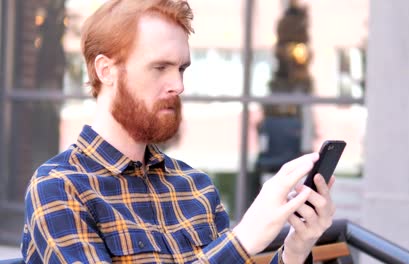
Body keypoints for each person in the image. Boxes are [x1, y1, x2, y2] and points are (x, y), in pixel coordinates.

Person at [21, 0, 336, 263]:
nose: (178, 85)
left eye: (182, 69)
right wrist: (242, 239)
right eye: (160, 68)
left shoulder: (195, 186)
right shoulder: (60, 187)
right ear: (106, 70)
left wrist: (296, 247)